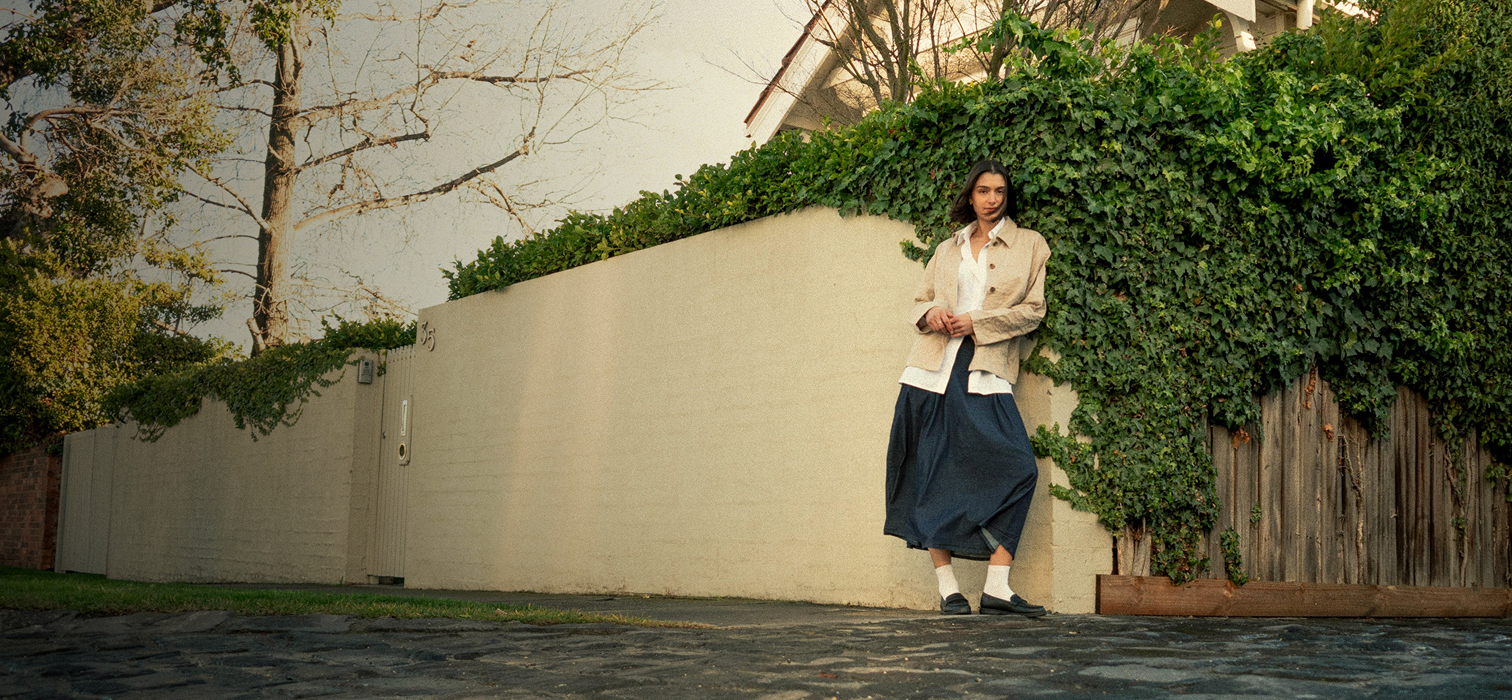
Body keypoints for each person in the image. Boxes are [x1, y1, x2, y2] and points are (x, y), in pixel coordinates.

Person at [884, 158, 1052, 616]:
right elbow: (919, 302)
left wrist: (975, 321)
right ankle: (948, 590)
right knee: (928, 473)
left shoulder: (1031, 245)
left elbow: (1032, 311)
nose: (991, 199)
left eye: (999, 191)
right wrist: (932, 315)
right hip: (929, 373)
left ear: (1007, 195)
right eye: (983, 190)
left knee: (1020, 468)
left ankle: (998, 585)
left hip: (985, 369)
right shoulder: (947, 248)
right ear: (970, 195)